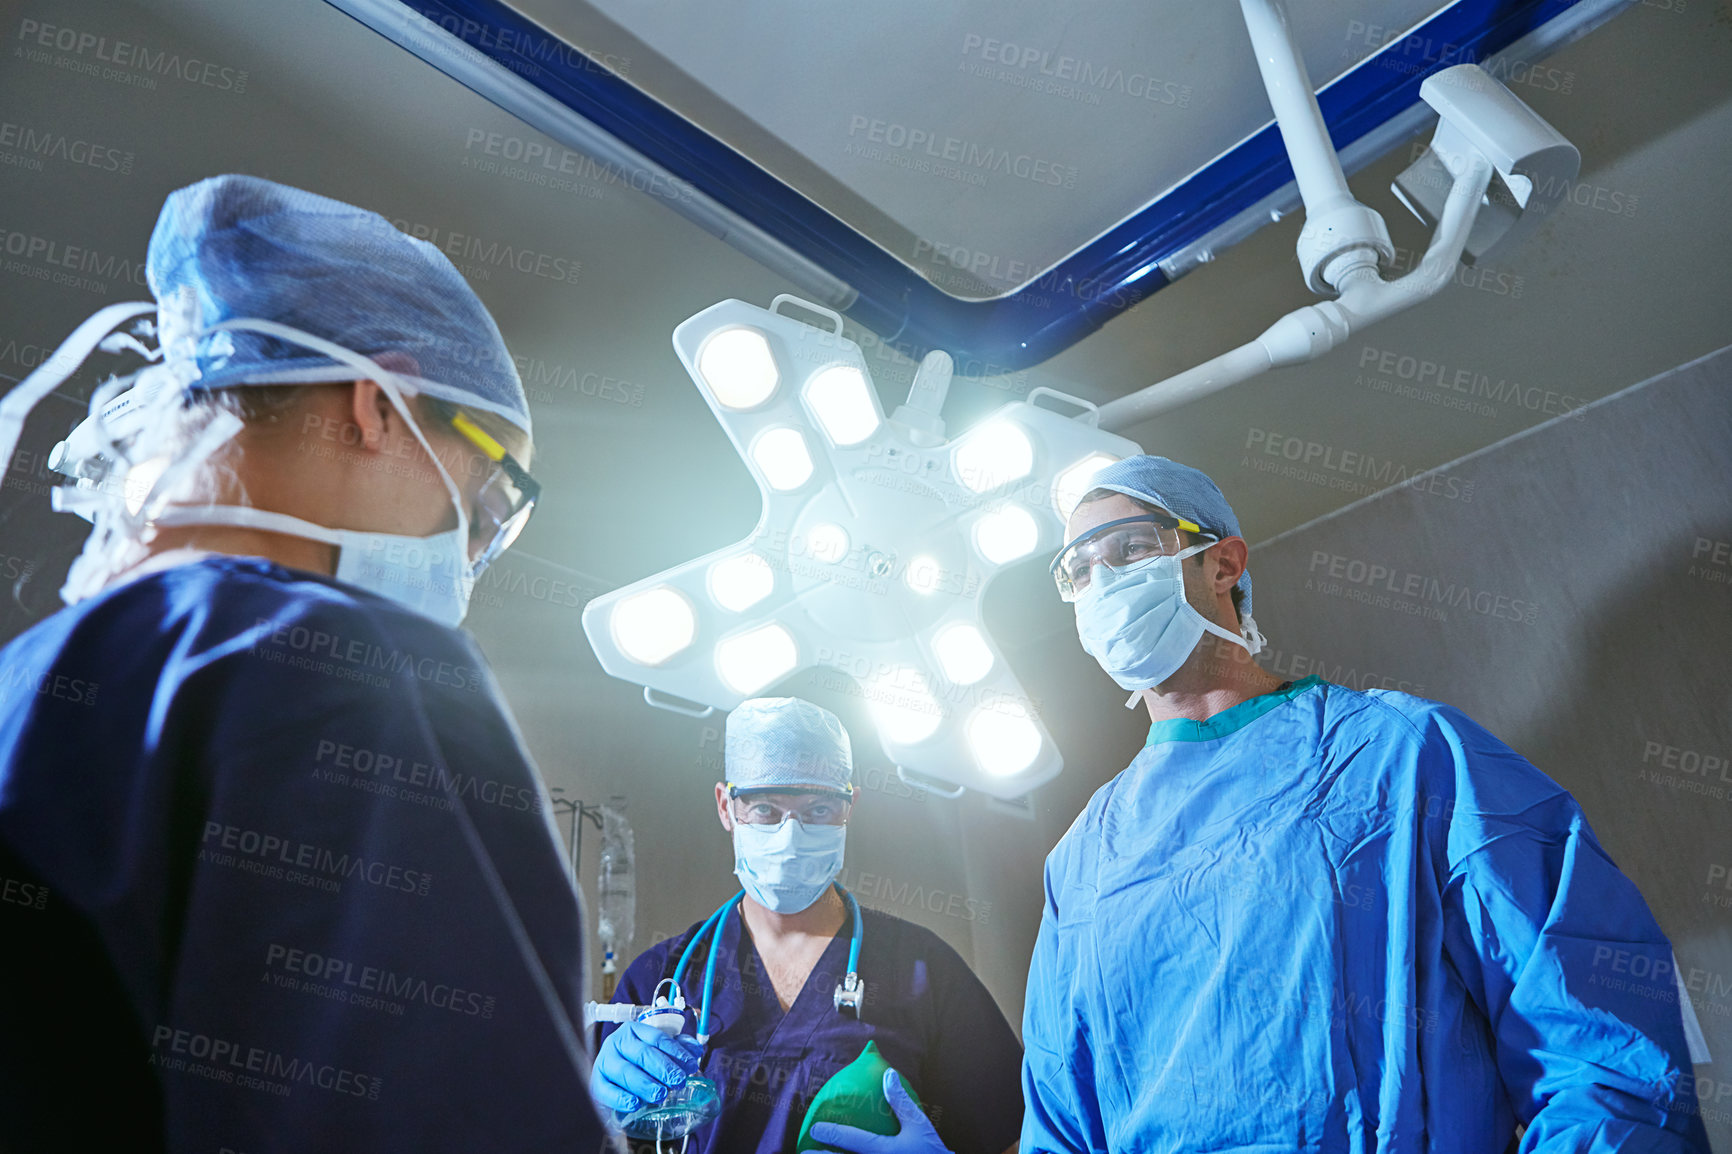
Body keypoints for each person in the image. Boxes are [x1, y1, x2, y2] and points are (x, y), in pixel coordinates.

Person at [0, 176, 604, 1152]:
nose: (466, 556)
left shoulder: (28, 679)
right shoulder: (345, 668)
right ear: (378, 404)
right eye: (486, 500)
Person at [1021, 455, 1709, 1152]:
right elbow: (1062, 1123)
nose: (1102, 583)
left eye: (1132, 548)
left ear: (1223, 564)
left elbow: (1601, 1048)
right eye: (1080, 571)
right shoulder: (1079, 867)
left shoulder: (1405, 754)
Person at [591, 696, 1023, 1154]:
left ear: (850, 808)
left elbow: (1016, 1140)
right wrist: (598, 1113)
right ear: (725, 806)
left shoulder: (923, 972)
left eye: (818, 810)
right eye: (765, 810)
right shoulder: (660, 979)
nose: (790, 836)